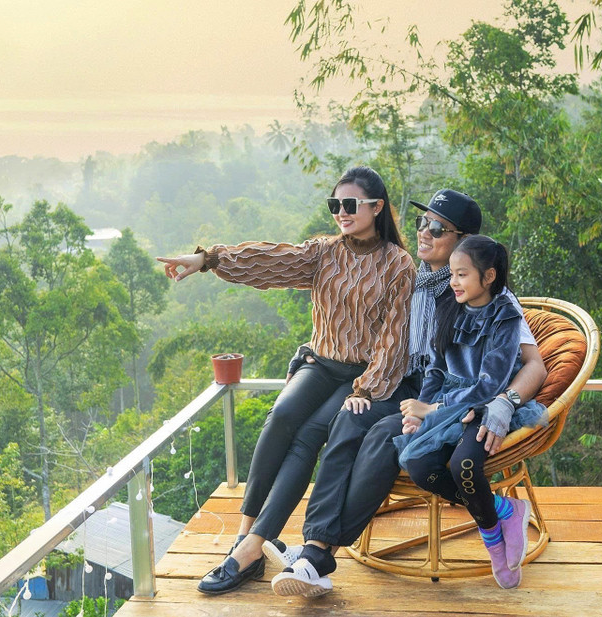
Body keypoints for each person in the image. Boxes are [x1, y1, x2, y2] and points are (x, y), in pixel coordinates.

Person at [268, 190, 546, 598]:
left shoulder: (486, 297)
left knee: (384, 436)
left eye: (437, 227)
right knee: (348, 418)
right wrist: (313, 351)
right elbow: (359, 323)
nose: (424, 233)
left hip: (450, 393)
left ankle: (317, 555)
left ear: (464, 241)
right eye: (421, 223)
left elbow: (535, 365)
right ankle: (315, 544)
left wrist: (506, 401)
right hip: (402, 383)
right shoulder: (410, 279)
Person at [156, 166, 415, 594]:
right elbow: (273, 261)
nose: (341, 212)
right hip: (321, 363)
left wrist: (365, 390)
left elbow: (395, 338)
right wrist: (207, 259)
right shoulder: (324, 252)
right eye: (335, 204)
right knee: (280, 417)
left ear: (377, 207)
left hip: (361, 375)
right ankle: (246, 538)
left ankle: (249, 550)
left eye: (350, 204)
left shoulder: (398, 264)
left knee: (309, 434)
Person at [393, 234, 547, 589]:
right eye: (452, 274)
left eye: (462, 275)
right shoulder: (448, 308)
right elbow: (435, 369)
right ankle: (506, 511)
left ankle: (494, 546)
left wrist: (434, 408)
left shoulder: (505, 315)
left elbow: (491, 384)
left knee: (464, 465)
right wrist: (419, 412)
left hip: (484, 404)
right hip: (448, 402)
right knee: (419, 466)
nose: (454, 282)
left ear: (488, 276)